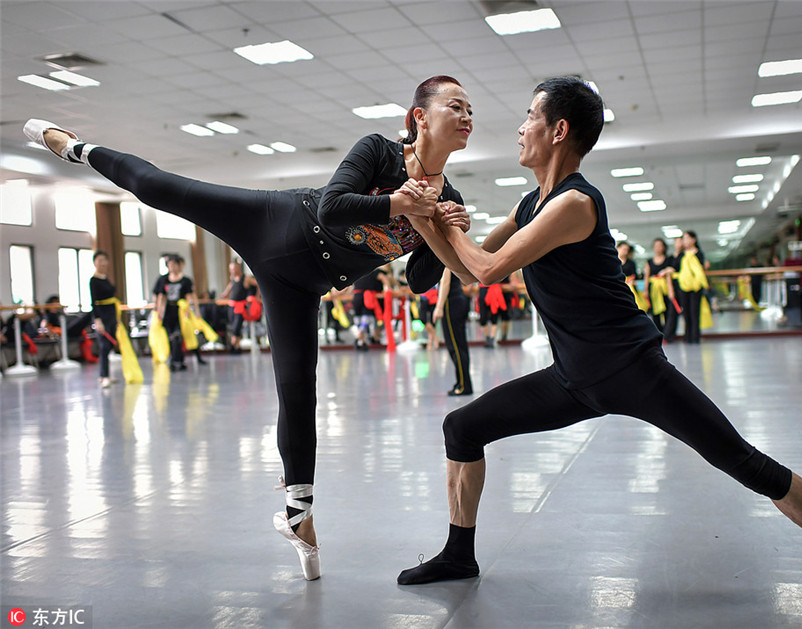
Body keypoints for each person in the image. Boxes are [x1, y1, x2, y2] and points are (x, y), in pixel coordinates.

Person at [395, 77, 802, 615]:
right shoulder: (529, 204)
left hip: (634, 370)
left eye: (529, 117)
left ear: (558, 130)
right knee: (463, 427)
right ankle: (458, 554)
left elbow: (489, 268)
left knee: (748, 465)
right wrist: (423, 214)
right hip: (572, 379)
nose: (519, 128)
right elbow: (462, 271)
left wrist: (437, 214)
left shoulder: (574, 203)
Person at [25, 74, 474, 581]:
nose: (467, 117)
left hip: (302, 286)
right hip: (275, 222)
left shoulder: (446, 195)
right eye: (456, 106)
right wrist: (401, 204)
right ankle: (77, 148)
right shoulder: (380, 151)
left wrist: (445, 229)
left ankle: (298, 517)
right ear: (420, 117)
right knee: (157, 188)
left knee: (299, 394)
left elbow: (417, 281)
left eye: (469, 110)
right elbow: (333, 206)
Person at [153, 254, 200, 370]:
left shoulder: (186, 280)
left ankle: (179, 360)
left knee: (178, 336)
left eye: (174, 264)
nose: (172, 267)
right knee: (170, 336)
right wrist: (159, 311)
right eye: (170, 265)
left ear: (179, 265)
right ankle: (174, 361)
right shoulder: (163, 279)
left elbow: (189, 296)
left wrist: (189, 310)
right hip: (168, 310)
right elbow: (161, 297)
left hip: (180, 310)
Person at [434, 268, 472, 396]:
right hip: (458, 300)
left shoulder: (444, 258)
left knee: (455, 347)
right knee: (460, 345)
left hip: (451, 303)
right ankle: (462, 382)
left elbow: (445, 282)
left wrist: (439, 307)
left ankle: (463, 385)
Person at [89, 251, 119, 388]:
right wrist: (97, 320)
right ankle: (104, 375)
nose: (103, 263)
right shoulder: (93, 281)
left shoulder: (106, 278)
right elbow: (93, 302)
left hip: (112, 315)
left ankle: (104, 375)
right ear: (95, 262)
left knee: (110, 345)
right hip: (102, 316)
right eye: (100, 260)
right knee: (104, 346)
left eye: (105, 260)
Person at [676, 230, 710, 344]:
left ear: (693, 239)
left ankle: (695, 336)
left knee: (695, 311)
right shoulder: (681, 254)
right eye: (684, 239)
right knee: (686, 311)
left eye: (687, 238)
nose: (685, 241)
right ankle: (687, 336)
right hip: (683, 286)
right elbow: (675, 267)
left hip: (696, 286)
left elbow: (701, 268)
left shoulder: (699, 253)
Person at [221, 259, 259, 353]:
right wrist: (225, 294)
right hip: (232, 305)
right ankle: (236, 346)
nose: (232, 271)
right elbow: (230, 287)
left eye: (233, 269)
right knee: (233, 325)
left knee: (236, 326)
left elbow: (258, 284)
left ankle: (234, 345)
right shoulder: (233, 279)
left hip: (241, 307)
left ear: (237, 268)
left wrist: (257, 297)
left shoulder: (246, 279)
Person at [643, 238, 678, 340]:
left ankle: (668, 334)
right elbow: (646, 276)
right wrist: (645, 290)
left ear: (664, 247)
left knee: (667, 310)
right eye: (656, 246)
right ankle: (659, 334)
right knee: (655, 313)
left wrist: (665, 271)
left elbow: (672, 270)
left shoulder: (669, 259)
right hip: (654, 289)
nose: (658, 248)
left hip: (665, 288)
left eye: (660, 245)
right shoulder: (649, 261)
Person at [476, 277, 510, 348]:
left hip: (494, 288)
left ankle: (491, 338)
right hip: (484, 289)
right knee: (483, 317)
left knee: (494, 314)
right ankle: (488, 338)